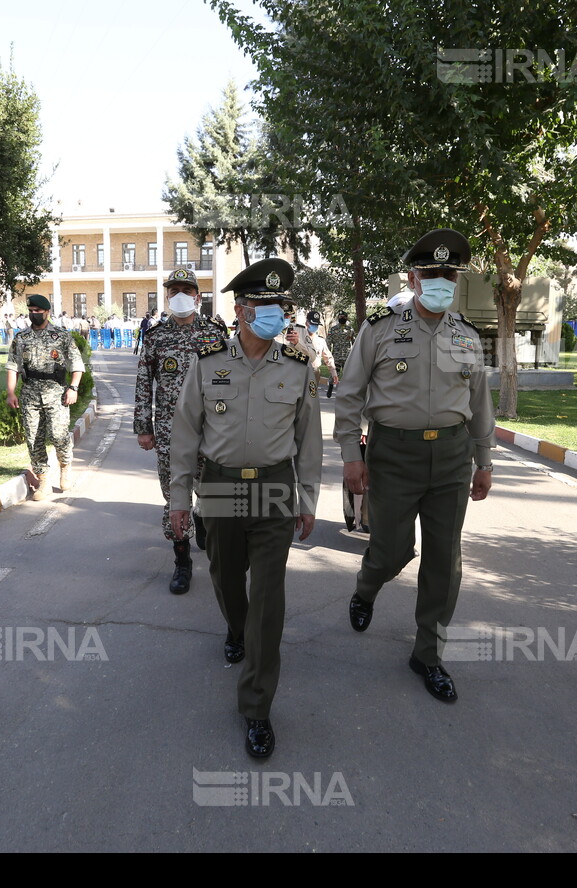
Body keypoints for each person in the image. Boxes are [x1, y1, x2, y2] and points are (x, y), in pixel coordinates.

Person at [333, 228, 494, 704]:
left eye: (449, 273)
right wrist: (350, 455)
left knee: (445, 561)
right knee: (391, 551)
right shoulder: (380, 327)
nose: (441, 280)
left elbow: (480, 403)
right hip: (392, 455)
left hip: (451, 457)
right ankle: (367, 586)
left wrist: (483, 460)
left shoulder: (467, 336)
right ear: (413, 277)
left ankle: (428, 655)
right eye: (431, 273)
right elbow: (350, 395)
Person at [169, 258, 321, 759]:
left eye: (281, 305)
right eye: (266, 305)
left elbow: (309, 442)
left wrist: (307, 499)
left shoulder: (298, 368)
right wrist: (179, 500)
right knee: (226, 578)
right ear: (241, 310)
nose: (276, 314)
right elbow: (186, 434)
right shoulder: (208, 362)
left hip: (275, 487)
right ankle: (236, 627)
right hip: (221, 485)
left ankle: (257, 706)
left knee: (270, 596)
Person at [134, 269, 223, 594]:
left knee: (211, 492)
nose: (181, 295)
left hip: (211, 430)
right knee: (174, 496)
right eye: (175, 290)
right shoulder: (156, 336)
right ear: (167, 297)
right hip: (170, 433)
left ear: (198, 296)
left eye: (187, 289)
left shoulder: (215, 332)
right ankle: (182, 562)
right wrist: (144, 427)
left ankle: (203, 524)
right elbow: (144, 384)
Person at [5, 294, 85, 501]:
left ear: (47, 312)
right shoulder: (21, 338)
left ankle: (65, 467)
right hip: (30, 393)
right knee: (33, 439)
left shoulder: (61, 336)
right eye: (31, 311)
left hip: (56, 392)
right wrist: (11, 392)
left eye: (37, 312)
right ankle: (43, 481)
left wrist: (73, 388)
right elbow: (13, 366)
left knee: (58, 435)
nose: (34, 315)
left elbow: (77, 364)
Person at [325, 310, 355, 398]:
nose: (342, 318)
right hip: (336, 355)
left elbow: (354, 342)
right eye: (341, 317)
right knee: (334, 374)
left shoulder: (350, 329)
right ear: (338, 317)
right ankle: (330, 389)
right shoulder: (333, 329)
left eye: (344, 317)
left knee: (347, 374)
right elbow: (328, 342)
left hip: (347, 356)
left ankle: (347, 392)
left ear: (347, 318)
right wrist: (328, 354)